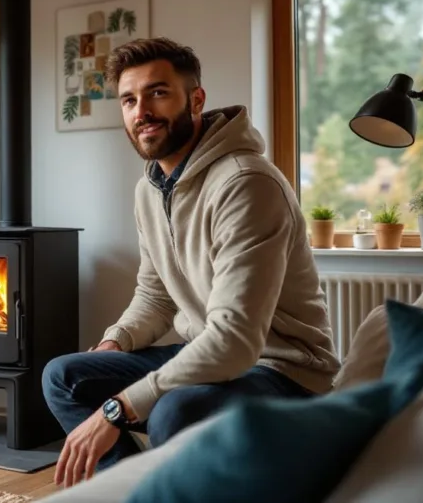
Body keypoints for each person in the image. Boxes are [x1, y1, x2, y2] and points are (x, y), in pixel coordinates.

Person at [42, 37, 342, 488]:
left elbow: (236, 342)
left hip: (282, 371)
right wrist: (115, 342)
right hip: (208, 352)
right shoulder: (150, 188)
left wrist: (117, 409)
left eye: (158, 93)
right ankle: (134, 492)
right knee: (63, 376)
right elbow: (155, 294)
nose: (141, 111)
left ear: (196, 100)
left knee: (174, 411)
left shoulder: (245, 183)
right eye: (129, 100)